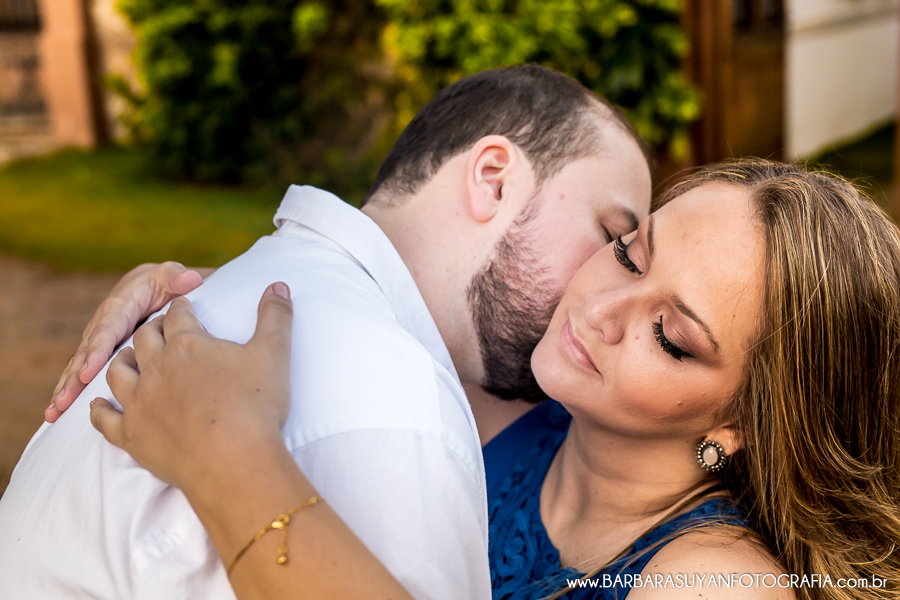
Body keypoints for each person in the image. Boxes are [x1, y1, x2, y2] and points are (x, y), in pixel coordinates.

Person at [86, 160, 900, 600]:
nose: (600, 307)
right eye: (628, 252)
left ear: (740, 428)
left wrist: (225, 458)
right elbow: (349, 333)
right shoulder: (510, 403)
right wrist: (195, 298)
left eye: (669, 335)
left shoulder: (719, 587)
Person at [0, 65, 652, 599]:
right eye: (612, 238)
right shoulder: (390, 398)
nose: (605, 288)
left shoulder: (253, 298)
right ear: (492, 178)